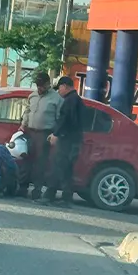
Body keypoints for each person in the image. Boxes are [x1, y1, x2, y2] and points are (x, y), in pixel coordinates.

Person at [36, 76, 85, 207]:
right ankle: (66, 198)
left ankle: (48, 196)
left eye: (60, 88)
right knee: (66, 170)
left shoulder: (69, 101)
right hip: (74, 141)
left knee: (57, 167)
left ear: (65, 86)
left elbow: (64, 120)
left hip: (66, 140)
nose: (59, 91)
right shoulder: (77, 100)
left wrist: (56, 134)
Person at [19, 72, 63, 199]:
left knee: (40, 163)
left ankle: (37, 190)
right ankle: (22, 188)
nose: (39, 89)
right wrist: (23, 124)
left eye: (42, 86)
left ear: (48, 85)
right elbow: (27, 111)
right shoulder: (32, 96)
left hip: (45, 134)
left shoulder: (56, 99)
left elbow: (60, 118)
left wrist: (55, 134)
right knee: (26, 160)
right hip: (30, 132)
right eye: (38, 86)